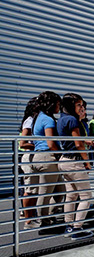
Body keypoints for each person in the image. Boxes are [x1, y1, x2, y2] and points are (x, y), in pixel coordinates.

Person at [57, 93, 94, 240]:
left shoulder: (61, 120)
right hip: (74, 161)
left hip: (64, 160)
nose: (81, 107)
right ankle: (77, 228)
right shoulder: (72, 120)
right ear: (71, 105)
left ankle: (69, 226)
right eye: (78, 105)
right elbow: (78, 144)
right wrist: (87, 162)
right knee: (86, 195)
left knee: (71, 195)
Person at [31, 91, 62, 225]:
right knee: (46, 192)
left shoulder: (37, 117)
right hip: (47, 157)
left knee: (60, 190)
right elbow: (51, 143)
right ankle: (44, 220)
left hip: (37, 156)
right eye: (58, 103)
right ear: (51, 104)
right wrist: (61, 154)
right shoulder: (48, 120)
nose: (59, 107)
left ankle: (49, 214)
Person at [19, 97, 40, 229]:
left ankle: (31, 217)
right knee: (29, 189)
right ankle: (28, 220)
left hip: (32, 156)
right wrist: (38, 145)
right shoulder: (30, 120)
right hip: (29, 157)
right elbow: (22, 142)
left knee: (33, 189)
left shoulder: (35, 120)